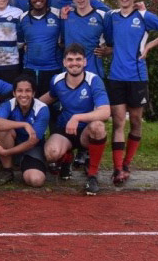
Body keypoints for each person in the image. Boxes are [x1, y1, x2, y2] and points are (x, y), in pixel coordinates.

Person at [103, 0, 158, 187]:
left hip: (137, 77)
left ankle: (127, 164)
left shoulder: (143, 16)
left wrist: (150, 46)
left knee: (135, 121)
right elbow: (111, 43)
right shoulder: (112, 17)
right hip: (116, 77)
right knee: (118, 122)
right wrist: (108, 50)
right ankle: (117, 169)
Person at [38, 43, 111, 195]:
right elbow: (47, 99)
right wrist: (22, 105)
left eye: (78, 59)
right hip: (65, 129)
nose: (74, 63)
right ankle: (67, 158)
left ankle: (92, 175)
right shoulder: (57, 80)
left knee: (98, 126)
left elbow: (105, 112)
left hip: (86, 131)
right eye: (70, 60)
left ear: (85, 62)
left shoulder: (94, 80)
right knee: (50, 153)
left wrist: (77, 117)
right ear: (64, 62)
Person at [0, 74, 50, 187]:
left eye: (28, 91)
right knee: (2, 129)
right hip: (12, 142)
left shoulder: (42, 108)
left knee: (36, 181)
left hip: (32, 148)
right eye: (19, 91)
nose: (23, 95)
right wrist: (24, 125)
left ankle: (25, 164)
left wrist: (5, 152)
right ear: (14, 93)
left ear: (33, 93)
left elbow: (33, 141)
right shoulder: (8, 104)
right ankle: (7, 171)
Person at [18, 0, 63, 99]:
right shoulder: (23, 18)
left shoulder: (57, 14)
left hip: (53, 69)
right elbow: (20, 43)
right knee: (29, 105)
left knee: (52, 108)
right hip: (29, 70)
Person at [61, 0, 110, 76]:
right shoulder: (65, 16)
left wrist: (109, 50)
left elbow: (113, 42)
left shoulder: (102, 16)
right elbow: (61, 41)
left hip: (93, 72)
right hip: (69, 72)